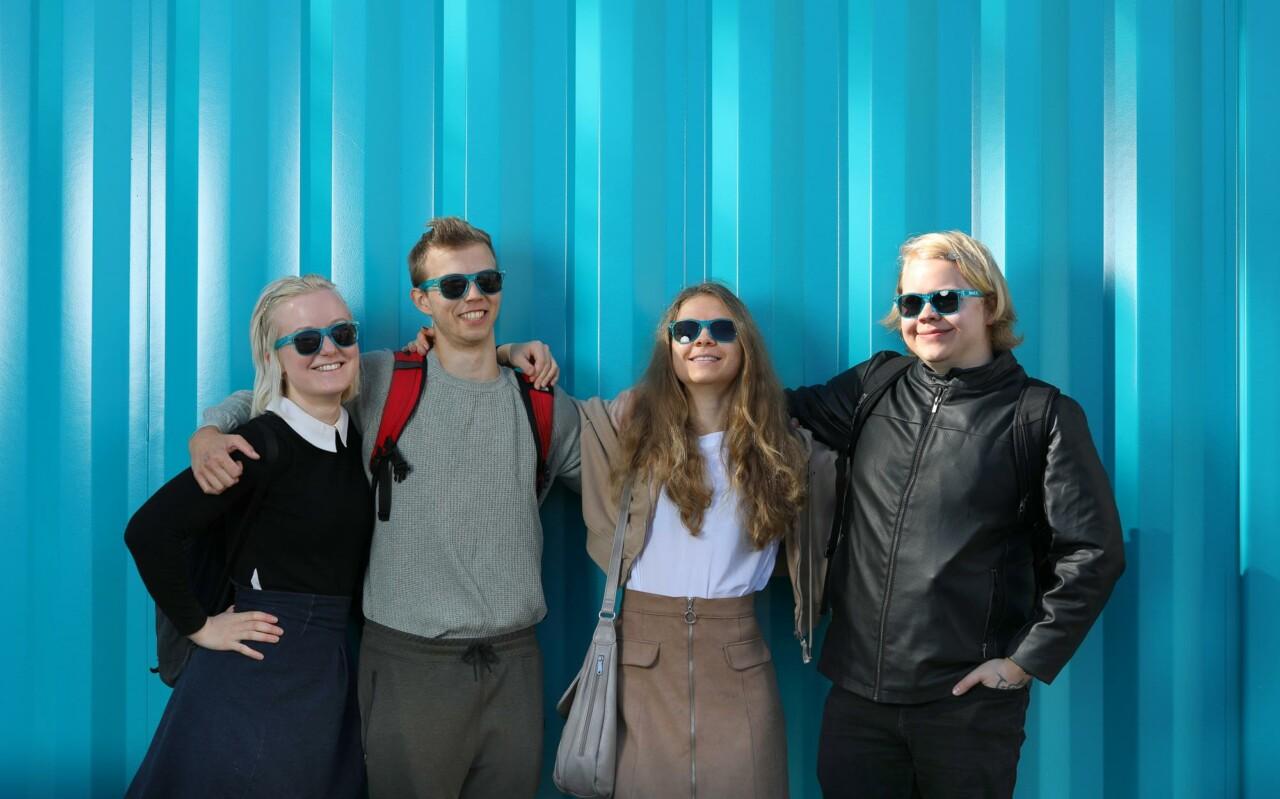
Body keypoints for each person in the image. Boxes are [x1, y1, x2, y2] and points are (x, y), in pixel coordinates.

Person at [188, 218, 580, 798]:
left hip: (516, 664)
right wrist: (209, 431)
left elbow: (626, 472)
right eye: (452, 287)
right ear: (422, 300)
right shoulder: (379, 379)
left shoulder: (543, 402)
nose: (473, 296)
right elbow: (278, 394)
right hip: (408, 664)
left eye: (486, 281)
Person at [788, 231, 1125, 798]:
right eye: (911, 303)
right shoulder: (875, 385)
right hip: (856, 700)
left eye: (946, 299)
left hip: (966, 708)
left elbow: (1093, 553)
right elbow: (770, 415)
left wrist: (1020, 663)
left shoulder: (1040, 416)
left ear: (988, 303)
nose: (926, 316)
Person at [572, 282, 832, 798]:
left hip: (739, 665)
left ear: (745, 346)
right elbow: (539, 413)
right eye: (686, 330)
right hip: (641, 663)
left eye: (721, 330)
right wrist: (509, 351)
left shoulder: (787, 448)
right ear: (668, 347)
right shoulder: (625, 431)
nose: (702, 341)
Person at [124, 275, 371, 797]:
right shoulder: (259, 446)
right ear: (274, 357)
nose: (329, 349)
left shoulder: (353, 438)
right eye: (306, 341)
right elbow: (148, 531)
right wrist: (200, 627)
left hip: (326, 668)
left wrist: (507, 351)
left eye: (342, 333)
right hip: (259, 673)